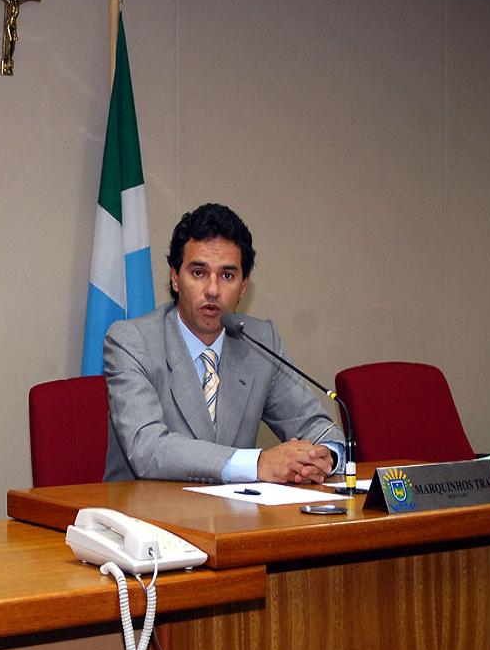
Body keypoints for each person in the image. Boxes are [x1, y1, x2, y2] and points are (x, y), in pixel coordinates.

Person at [103, 202, 344, 485]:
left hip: (234, 511)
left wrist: (323, 456)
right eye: (199, 273)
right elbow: (147, 448)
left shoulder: (260, 341)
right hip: (144, 509)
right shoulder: (132, 342)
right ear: (175, 278)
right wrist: (257, 463)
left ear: (243, 286)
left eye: (227, 276)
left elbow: (320, 428)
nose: (213, 290)